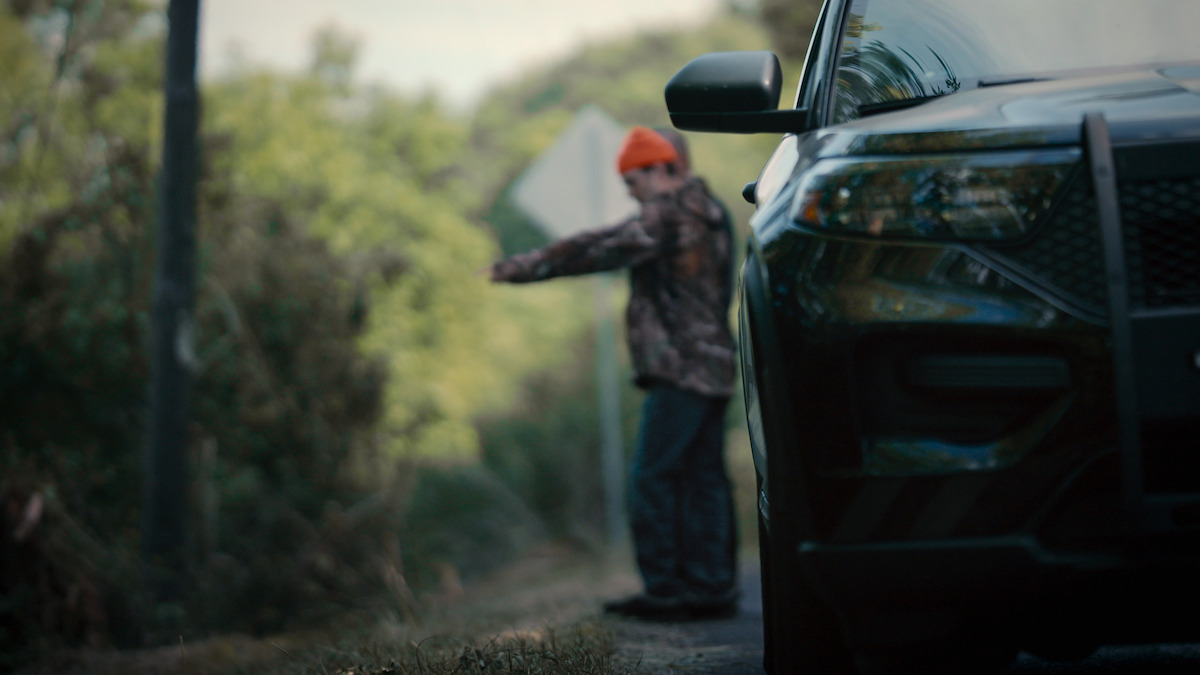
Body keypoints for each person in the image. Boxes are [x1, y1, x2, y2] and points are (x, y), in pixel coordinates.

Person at [489, 126, 739, 620]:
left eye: (632, 179)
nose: (628, 190)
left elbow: (599, 246)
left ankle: (666, 591)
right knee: (704, 477)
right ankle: (711, 588)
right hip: (715, 362)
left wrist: (521, 267)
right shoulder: (714, 213)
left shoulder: (667, 214)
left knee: (653, 477)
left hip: (680, 368)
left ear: (661, 168)